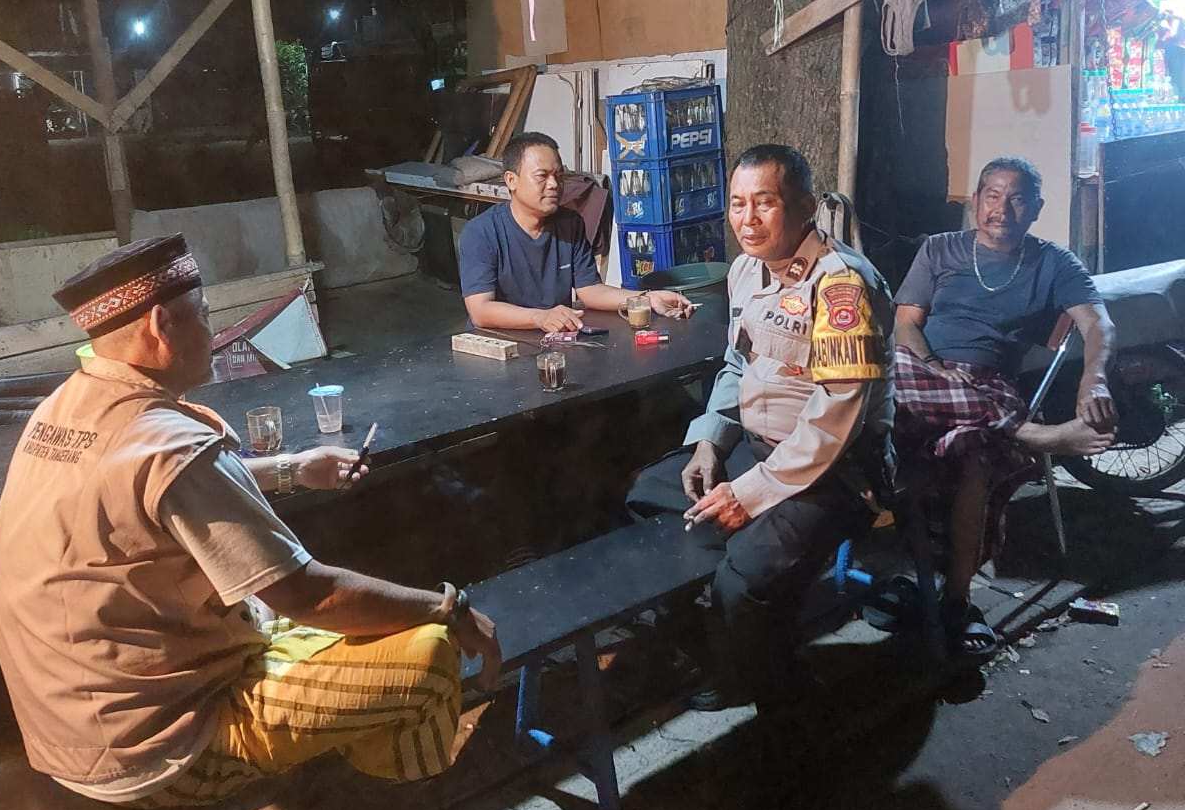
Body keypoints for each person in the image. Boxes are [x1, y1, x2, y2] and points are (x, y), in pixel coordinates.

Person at [0, 235, 501, 810]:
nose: (213, 334)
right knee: (429, 653)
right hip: (157, 747)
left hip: (70, 728)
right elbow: (310, 595)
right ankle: (403, 803)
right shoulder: (171, 447)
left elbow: (158, 493)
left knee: (353, 612)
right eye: (205, 316)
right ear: (162, 324)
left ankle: (360, 758)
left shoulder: (66, 407)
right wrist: (450, 606)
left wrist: (291, 468)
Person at [628, 144, 894, 717]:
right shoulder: (746, 271)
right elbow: (737, 365)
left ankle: (780, 697)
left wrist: (748, 495)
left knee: (744, 580)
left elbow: (838, 416)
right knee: (649, 496)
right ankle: (716, 648)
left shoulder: (841, 286)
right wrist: (709, 442)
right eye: (737, 204)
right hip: (758, 449)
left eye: (765, 203)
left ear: (806, 207)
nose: (747, 220)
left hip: (836, 473)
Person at [893, 156, 1116, 659]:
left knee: (974, 455)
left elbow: (1098, 324)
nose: (1001, 209)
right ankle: (1036, 436)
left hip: (989, 387)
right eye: (992, 195)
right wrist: (935, 365)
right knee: (881, 376)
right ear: (976, 201)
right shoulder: (939, 249)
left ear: (1036, 208)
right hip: (919, 374)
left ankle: (956, 601)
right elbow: (905, 325)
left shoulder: (1054, 262)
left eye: (1016, 199)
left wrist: (1094, 379)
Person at [459, 131, 694, 332]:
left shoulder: (570, 223)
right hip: (499, 345)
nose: (553, 184)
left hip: (556, 339)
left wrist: (646, 298)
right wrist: (539, 317)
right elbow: (481, 310)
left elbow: (590, 290)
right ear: (511, 180)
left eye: (558, 176)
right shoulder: (481, 232)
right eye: (542, 176)